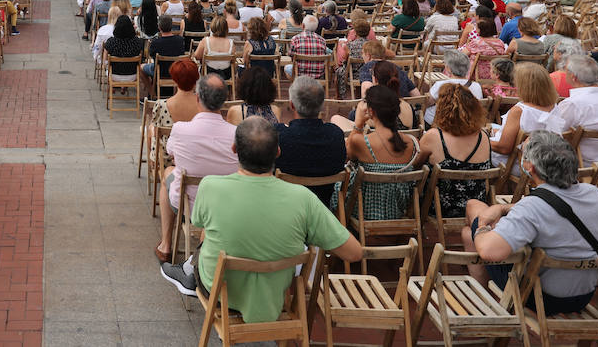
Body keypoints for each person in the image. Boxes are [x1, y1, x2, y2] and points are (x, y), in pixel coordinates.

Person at [157, 117, 361, 314]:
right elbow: (353, 253)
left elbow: (199, 222)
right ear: (278, 152)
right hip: (274, 294)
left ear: (234, 149)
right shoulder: (304, 198)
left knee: (209, 231)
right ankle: (189, 270)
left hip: (221, 291)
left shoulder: (210, 186)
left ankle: (189, 272)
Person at [463, 131, 598, 316]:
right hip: (583, 294)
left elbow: (489, 251)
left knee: (475, 210)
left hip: (541, 297)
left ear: (530, 167)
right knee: (467, 234)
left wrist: (482, 226)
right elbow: (552, 206)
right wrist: (503, 208)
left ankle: (484, 306)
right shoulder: (594, 194)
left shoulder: (532, 207)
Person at [154, 74, 238, 262]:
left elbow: (171, 153)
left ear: (198, 98)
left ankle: (166, 244)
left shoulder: (181, 129)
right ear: (224, 101)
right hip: (224, 205)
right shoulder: (236, 134)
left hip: (189, 204)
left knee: (168, 173)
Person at [347, 84, 426, 221]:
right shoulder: (413, 143)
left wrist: (358, 123)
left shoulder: (360, 142)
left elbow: (348, 155)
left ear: (371, 111)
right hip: (399, 210)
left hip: (365, 211)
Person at [273, 76, 347, 207]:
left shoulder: (279, 136)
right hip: (323, 205)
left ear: (292, 105)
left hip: (286, 206)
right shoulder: (335, 135)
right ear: (322, 105)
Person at [421, 85, 493, 218]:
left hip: (439, 207)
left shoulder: (434, 136)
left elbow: (416, 165)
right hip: (476, 207)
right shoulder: (483, 136)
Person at [544, 55, 598, 165]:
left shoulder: (573, 104)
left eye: (566, 70)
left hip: (573, 166)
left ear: (573, 77)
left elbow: (550, 135)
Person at [424, 49, 484, 125]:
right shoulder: (476, 86)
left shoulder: (440, 85)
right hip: (466, 123)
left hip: (440, 123)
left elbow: (428, 102)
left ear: (448, 68)